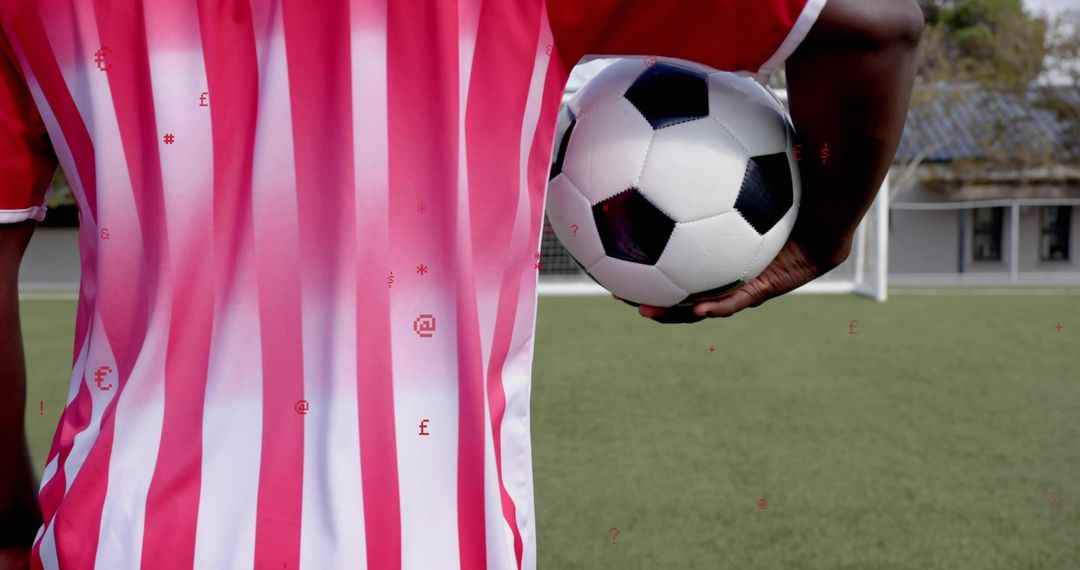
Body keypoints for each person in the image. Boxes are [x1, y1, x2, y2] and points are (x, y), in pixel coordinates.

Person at [0, 0, 923, 568]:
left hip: (117, 538)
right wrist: (822, 238)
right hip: (431, 543)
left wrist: (10, 527)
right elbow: (877, 26)